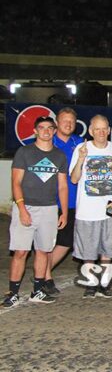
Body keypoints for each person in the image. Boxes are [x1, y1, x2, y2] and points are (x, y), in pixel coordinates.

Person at [2, 116, 68, 307]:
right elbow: (16, 182)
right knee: (21, 251)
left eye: (50, 128)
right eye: (42, 127)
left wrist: (63, 212)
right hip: (27, 206)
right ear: (35, 131)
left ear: (54, 131)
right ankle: (12, 293)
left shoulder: (59, 156)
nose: (46, 131)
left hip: (49, 208)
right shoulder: (25, 152)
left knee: (43, 251)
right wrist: (22, 208)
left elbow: (62, 186)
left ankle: (37, 291)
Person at [70, 115, 112, 299]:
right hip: (87, 210)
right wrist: (81, 159)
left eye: (104, 129)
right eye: (97, 129)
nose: (101, 133)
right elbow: (74, 179)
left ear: (109, 130)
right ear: (90, 131)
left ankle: (104, 284)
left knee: (107, 251)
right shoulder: (82, 148)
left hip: (109, 210)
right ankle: (91, 284)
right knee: (88, 252)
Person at [45, 107, 83, 296]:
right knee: (46, 242)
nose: (68, 124)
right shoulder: (47, 142)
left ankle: (43, 273)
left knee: (66, 242)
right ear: (57, 123)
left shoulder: (80, 143)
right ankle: (44, 277)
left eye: (71, 122)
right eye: (64, 121)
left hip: (73, 202)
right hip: (50, 202)